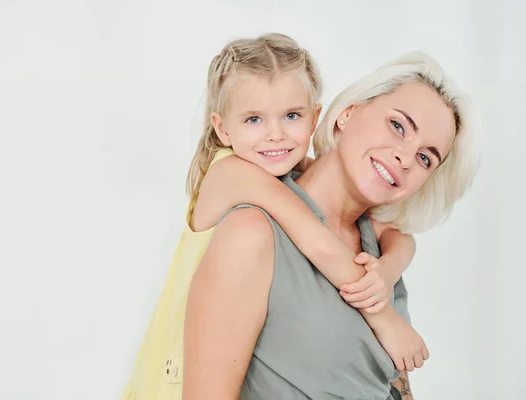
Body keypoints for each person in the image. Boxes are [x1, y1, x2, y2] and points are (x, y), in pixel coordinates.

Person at [124, 33, 420, 400]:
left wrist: (390, 265)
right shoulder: (229, 173)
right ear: (222, 127)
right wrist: (385, 319)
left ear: (314, 118)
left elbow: (400, 235)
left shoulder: (289, 175)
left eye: (291, 116)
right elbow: (318, 241)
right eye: (253, 120)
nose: (275, 135)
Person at [183, 50, 481, 399]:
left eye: (425, 158)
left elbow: (391, 385)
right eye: (398, 125)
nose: (404, 157)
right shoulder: (253, 231)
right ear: (347, 114)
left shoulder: (380, 255)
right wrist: (380, 313)